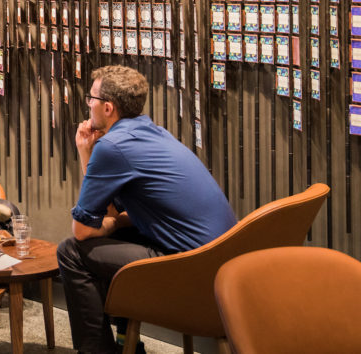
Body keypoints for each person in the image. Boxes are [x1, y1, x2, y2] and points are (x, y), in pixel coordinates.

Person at [57, 65, 237, 354]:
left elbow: (82, 231)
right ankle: (124, 341)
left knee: (70, 253)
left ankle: (96, 351)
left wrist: (113, 225)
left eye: (90, 99)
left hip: (193, 269)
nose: (88, 105)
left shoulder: (113, 146)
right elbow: (109, 214)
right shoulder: (153, 132)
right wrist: (86, 152)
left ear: (107, 107)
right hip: (220, 261)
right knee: (108, 241)